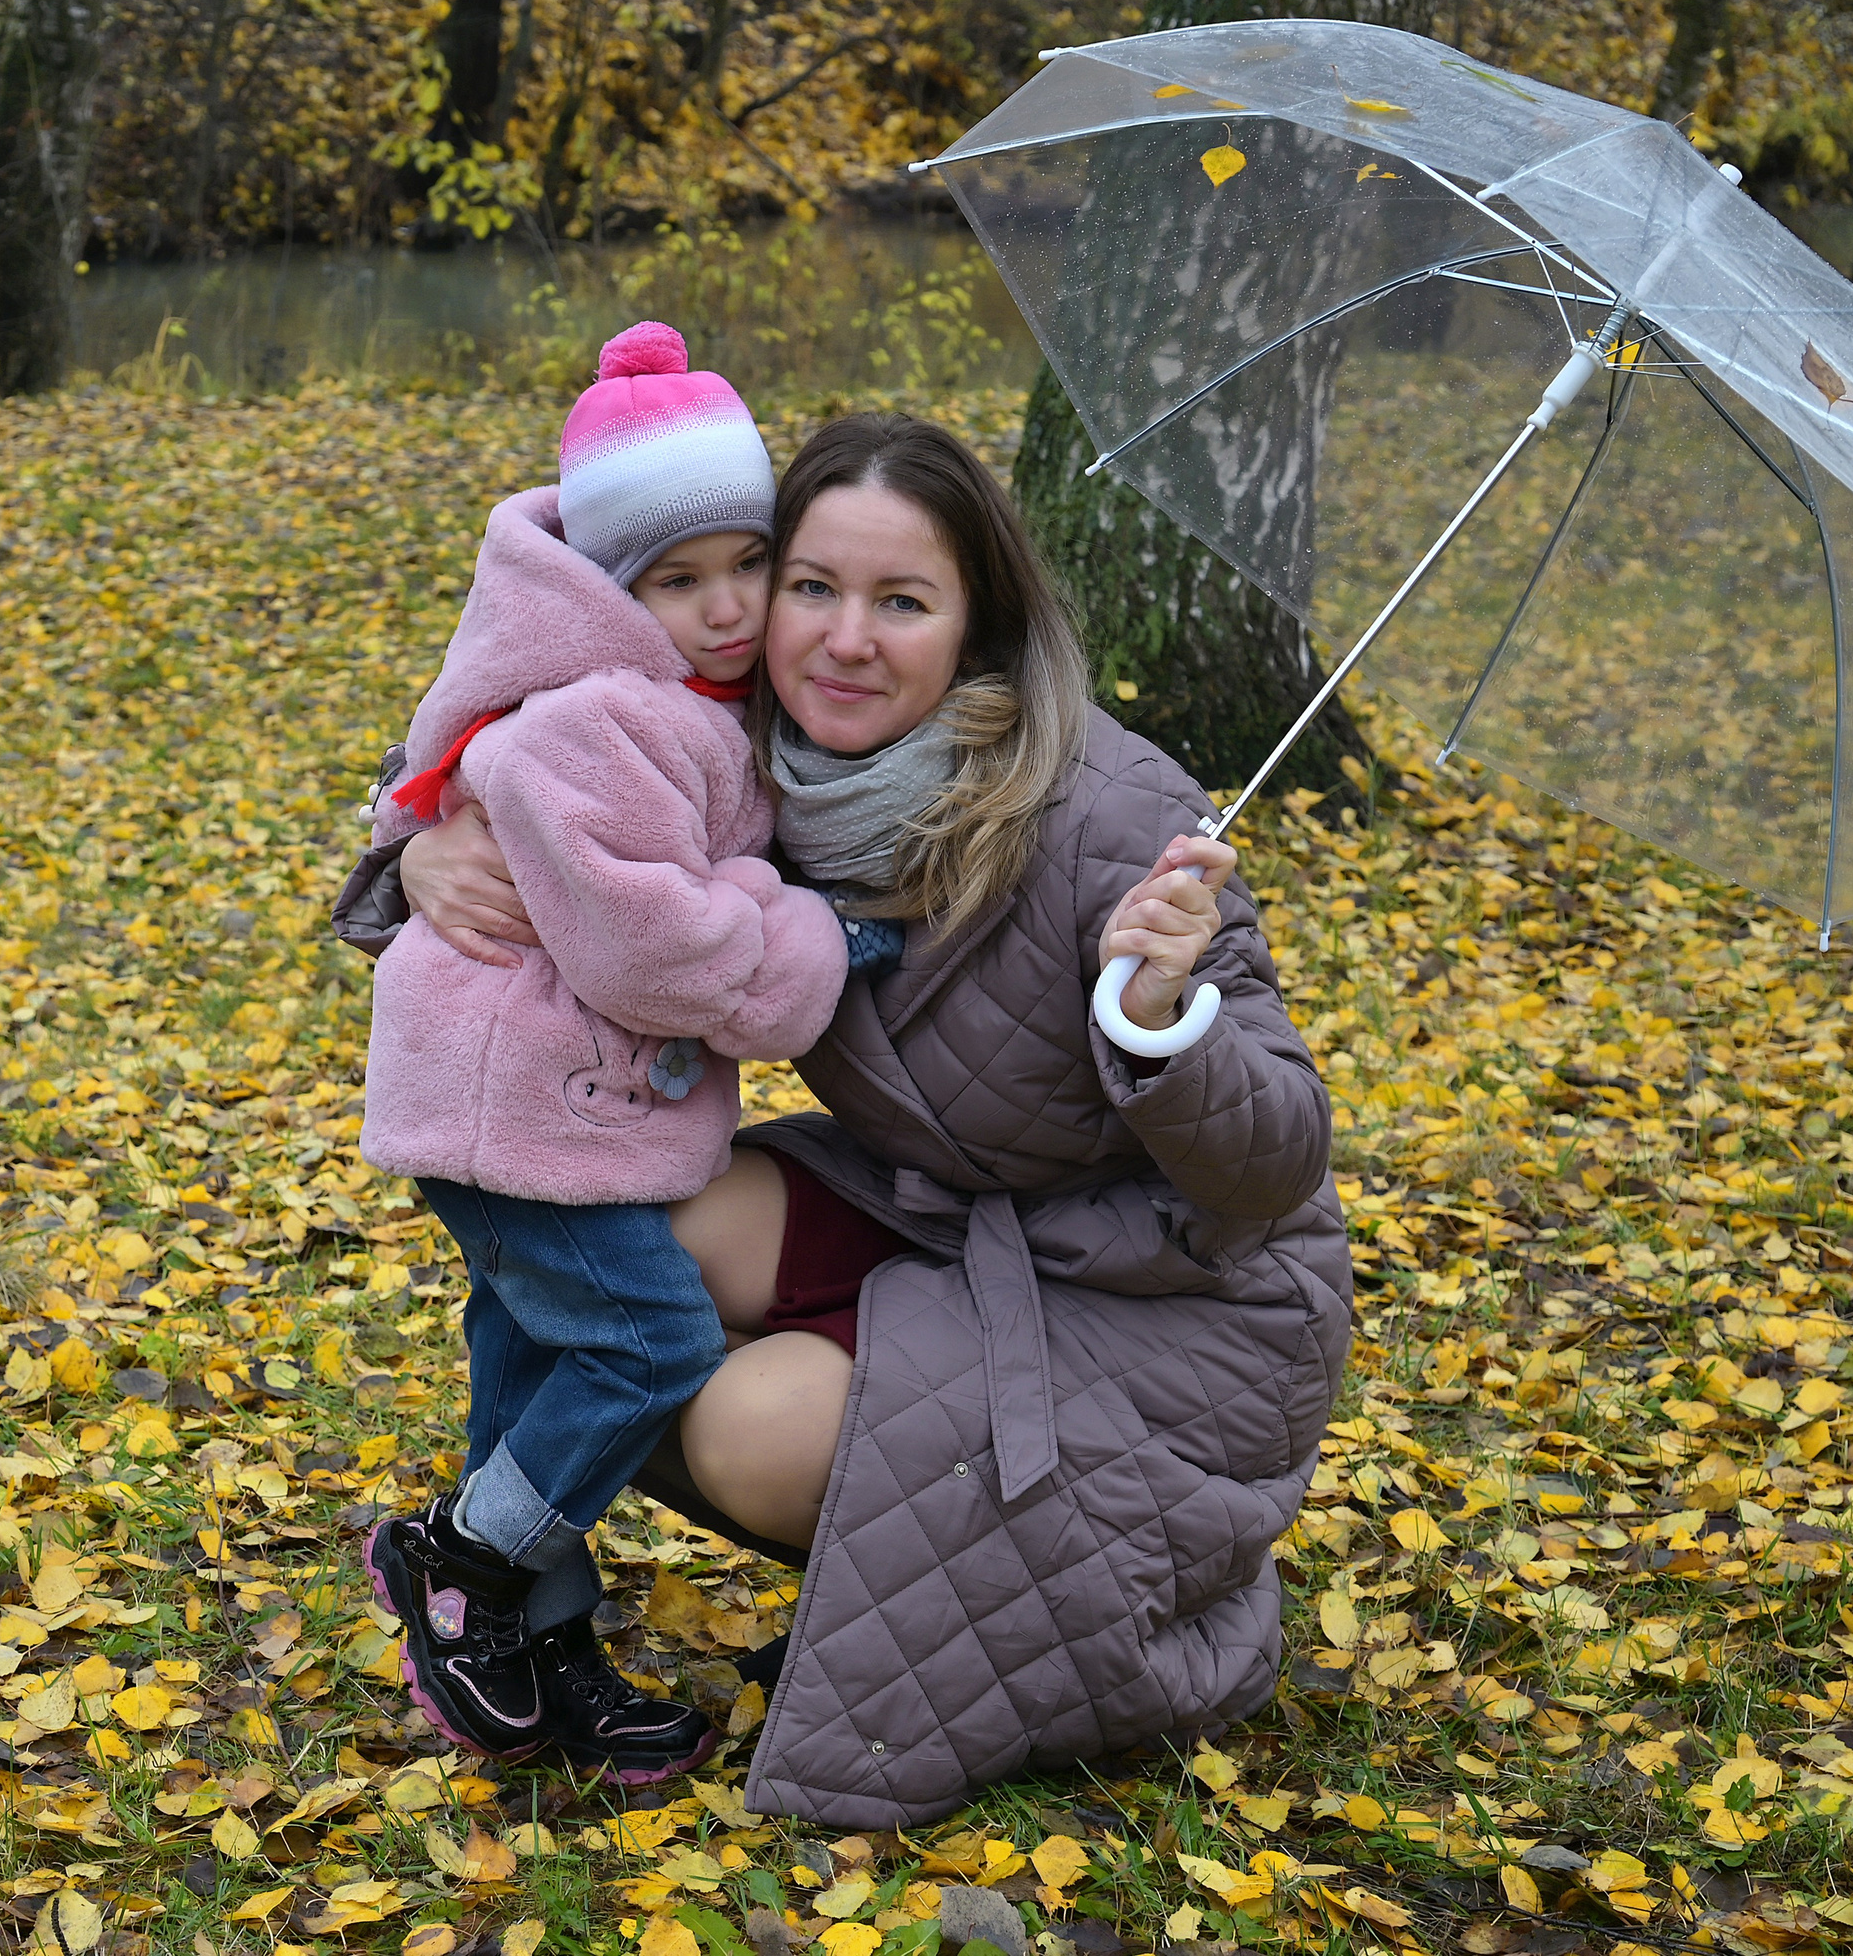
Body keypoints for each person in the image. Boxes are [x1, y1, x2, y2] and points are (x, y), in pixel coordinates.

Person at [401, 413, 1351, 1825]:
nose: (845, 639)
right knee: (604, 1228)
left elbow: (1278, 1159)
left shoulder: (1111, 811)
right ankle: (517, 1606)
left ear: (977, 626)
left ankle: (1085, 1580)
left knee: (728, 1424)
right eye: (813, 587)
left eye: (901, 601)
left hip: (1169, 1296)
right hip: (947, 1218)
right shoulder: (758, 762)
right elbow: (524, 767)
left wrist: (1163, 1013)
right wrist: (424, 850)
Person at [356, 323, 852, 1787]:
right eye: (674, 582)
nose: (722, 609)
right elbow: (653, 942)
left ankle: (543, 1644)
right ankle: (467, 1557)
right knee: (651, 1342)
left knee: (523, 1358)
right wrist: (821, 936)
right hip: (516, 1103)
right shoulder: (605, 709)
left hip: (535, 1102)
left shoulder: (691, 701)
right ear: (608, 590)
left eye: (743, 567)